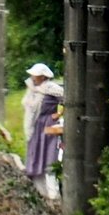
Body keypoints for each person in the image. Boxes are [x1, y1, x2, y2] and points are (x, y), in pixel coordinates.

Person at [22, 62, 65, 200]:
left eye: (36, 75)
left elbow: (67, 100)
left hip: (48, 126)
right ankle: (40, 191)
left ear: (42, 76)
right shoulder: (32, 89)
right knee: (36, 155)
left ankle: (54, 194)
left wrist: (58, 114)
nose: (33, 77)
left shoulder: (52, 88)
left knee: (49, 156)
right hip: (36, 127)